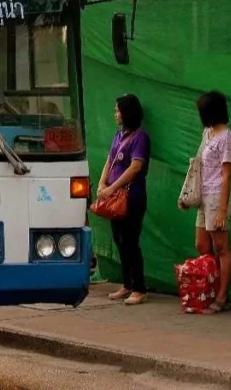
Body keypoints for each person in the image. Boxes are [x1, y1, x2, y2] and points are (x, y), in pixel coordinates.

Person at [184, 91, 231, 314]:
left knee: (222, 247)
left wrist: (223, 210)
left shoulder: (227, 137)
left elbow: (227, 175)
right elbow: (197, 166)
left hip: (217, 197)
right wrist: (188, 195)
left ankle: (222, 296)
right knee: (202, 246)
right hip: (204, 196)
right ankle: (208, 290)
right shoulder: (208, 133)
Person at [98, 94, 151, 305]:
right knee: (119, 241)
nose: (115, 114)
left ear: (128, 113)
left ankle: (139, 288)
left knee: (130, 241)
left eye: (118, 110)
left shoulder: (141, 137)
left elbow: (135, 167)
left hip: (131, 197)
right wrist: (103, 184)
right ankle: (127, 284)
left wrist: (112, 187)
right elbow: (110, 160)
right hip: (114, 197)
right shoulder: (119, 135)